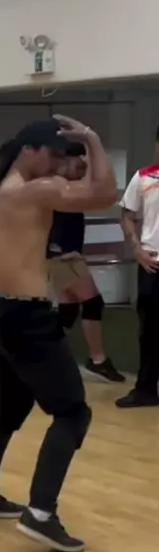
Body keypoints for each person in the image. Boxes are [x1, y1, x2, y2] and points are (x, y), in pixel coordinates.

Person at [0, 117, 117, 552]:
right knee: (72, 413)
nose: (55, 163)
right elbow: (104, 194)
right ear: (27, 150)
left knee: (12, 406)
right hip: (25, 318)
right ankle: (41, 514)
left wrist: (20, 264)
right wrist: (93, 139)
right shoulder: (32, 190)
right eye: (51, 154)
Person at [47, 142, 124, 383]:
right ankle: (97, 359)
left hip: (63, 254)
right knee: (92, 302)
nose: (82, 169)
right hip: (62, 256)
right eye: (78, 164)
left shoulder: (67, 186)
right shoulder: (55, 187)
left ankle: (46, 355)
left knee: (69, 310)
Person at [116, 128, 159, 408]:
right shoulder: (143, 177)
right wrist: (137, 250)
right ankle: (145, 390)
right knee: (151, 330)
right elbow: (127, 215)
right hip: (153, 264)